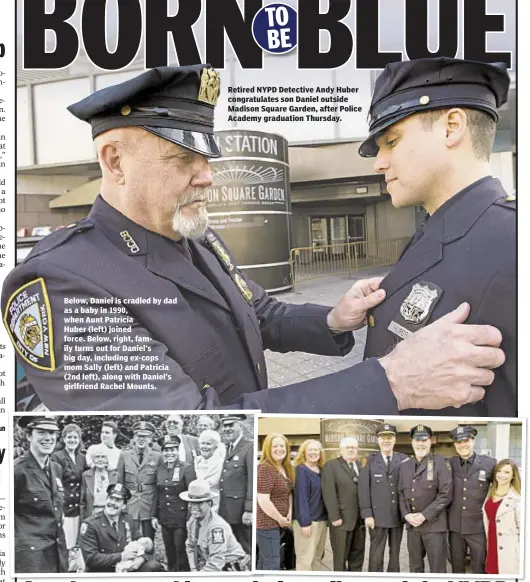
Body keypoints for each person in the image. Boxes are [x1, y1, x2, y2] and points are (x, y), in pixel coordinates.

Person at [2, 65, 504, 415]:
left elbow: (258, 313)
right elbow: (187, 428)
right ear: (114, 161)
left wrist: (333, 318)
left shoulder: (192, 234)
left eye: (208, 159)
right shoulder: (64, 282)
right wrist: (392, 381)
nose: (208, 178)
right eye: (183, 160)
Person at [360, 57, 515, 417]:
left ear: (452, 127)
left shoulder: (512, 246)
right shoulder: (441, 226)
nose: (378, 163)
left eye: (391, 141)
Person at [14, 416, 68, 573]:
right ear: (29, 436)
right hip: (31, 558)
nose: (48, 438)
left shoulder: (56, 468)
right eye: (41, 432)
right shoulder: (17, 471)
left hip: (57, 553)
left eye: (52, 433)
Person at [398, 424, 452, 573]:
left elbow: (445, 495)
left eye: (424, 440)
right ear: (412, 442)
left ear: (430, 441)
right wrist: (406, 515)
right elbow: (401, 493)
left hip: (434, 526)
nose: (420, 443)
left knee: (437, 568)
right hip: (412, 526)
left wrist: (424, 515)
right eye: (417, 440)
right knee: (415, 567)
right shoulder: (404, 466)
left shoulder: (441, 462)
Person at [79, 483, 164, 572]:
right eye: (111, 498)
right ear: (106, 500)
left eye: (118, 500)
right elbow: (91, 559)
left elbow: (139, 544)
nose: (112, 503)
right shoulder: (90, 524)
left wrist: (141, 559)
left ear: (124, 506)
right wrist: (122, 556)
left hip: (126, 569)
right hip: (103, 573)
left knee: (154, 566)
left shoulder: (128, 519)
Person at [359, 423, 408, 572]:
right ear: (378, 440)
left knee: (395, 553)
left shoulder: (404, 459)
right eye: (383, 437)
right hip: (377, 517)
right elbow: (363, 489)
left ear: (394, 439)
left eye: (390, 437)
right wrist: (367, 515)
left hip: (397, 516)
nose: (386, 441)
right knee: (376, 553)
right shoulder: (369, 460)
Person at [447, 425, 496, 573]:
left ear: (473, 441)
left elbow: (498, 489)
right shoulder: (448, 464)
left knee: (479, 566)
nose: (462, 445)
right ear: (455, 445)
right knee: (457, 567)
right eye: (458, 442)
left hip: (478, 526)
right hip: (455, 526)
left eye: (466, 440)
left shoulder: (490, 463)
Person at [181, 480, 250, 572]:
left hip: (230, 570)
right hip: (211, 566)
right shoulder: (192, 521)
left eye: (199, 503)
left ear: (209, 504)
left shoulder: (216, 528)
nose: (194, 507)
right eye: (191, 503)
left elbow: (216, 563)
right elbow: (190, 547)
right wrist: (193, 569)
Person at [150, 434, 195, 572]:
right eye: (166, 450)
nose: (169, 453)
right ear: (162, 452)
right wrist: (153, 516)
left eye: (172, 449)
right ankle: (171, 573)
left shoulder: (186, 468)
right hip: (165, 518)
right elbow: (157, 493)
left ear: (177, 450)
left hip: (181, 518)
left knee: (180, 550)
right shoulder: (160, 469)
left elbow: (191, 494)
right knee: (169, 550)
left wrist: (190, 518)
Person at [321, 436, 365, 572]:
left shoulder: (359, 465)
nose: (351, 450)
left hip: (360, 520)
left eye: (354, 447)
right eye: (348, 447)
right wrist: (334, 516)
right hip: (341, 520)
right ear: (341, 449)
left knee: (358, 555)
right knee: (340, 557)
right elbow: (329, 493)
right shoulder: (331, 465)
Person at [116, 421, 162, 540]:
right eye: (138, 436)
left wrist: (156, 511)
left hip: (148, 504)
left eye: (145, 436)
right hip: (131, 504)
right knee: (129, 538)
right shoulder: (124, 455)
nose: (141, 439)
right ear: (134, 438)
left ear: (150, 438)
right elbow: (120, 483)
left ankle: (149, 558)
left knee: (148, 540)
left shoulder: (158, 457)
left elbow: (159, 485)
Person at [256, 433, 294, 570]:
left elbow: (288, 492)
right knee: (272, 564)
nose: (279, 449)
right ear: (268, 449)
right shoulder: (265, 468)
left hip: (281, 523)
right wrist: (280, 518)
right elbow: (263, 500)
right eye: (275, 446)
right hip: (267, 524)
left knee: (263, 563)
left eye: (282, 446)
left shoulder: (285, 468)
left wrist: (290, 512)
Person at [218, 414, 253, 554]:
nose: (227, 429)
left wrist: (249, 509)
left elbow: (251, 480)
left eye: (231, 425)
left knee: (245, 547)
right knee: (232, 548)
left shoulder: (248, 447)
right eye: (225, 425)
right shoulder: (228, 448)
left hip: (240, 512)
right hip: (227, 510)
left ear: (241, 425)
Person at [51, 423, 88, 553]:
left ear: (79, 440)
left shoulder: (82, 458)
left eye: (75, 437)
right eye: (69, 437)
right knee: (65, 541)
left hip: (78, 505)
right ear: (64, 438)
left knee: (77, 542)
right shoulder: (57, 456)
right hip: (65, 505)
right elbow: (55, 484)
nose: (72, 440)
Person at [292, 439, 328, 571]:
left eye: (316, 449)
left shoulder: (322, 470)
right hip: (308, 522)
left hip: (322, 521)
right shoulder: (301, 470)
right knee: (304, 561)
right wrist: (305, 523)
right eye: (310, 450)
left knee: (317, 559)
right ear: (304, 453)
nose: (314, 452)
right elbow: (301, 497)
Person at [483, 459, 521, 575]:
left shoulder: (518, 499)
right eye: (499, 471)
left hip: (509, 550)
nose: (501, 475)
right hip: (491, 546)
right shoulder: (489, 492)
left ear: (513, 475)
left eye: (506, 472)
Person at [80, 444, 119, 520]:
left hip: (111, 513)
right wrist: (83, 520)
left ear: (107, 459)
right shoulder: (86, 475)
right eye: (97, 457)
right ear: (93, 459)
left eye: (103, 457)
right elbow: (82, 501)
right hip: (92, 513)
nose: (100, 460)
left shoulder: (115, 475)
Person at [194, 429, 225, 511]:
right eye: (202, 443)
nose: (204, 446)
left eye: (208, 444)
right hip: (197, 503)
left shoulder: (220, 464)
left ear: (215, 447)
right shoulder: (196, 461)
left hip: (214, 504)